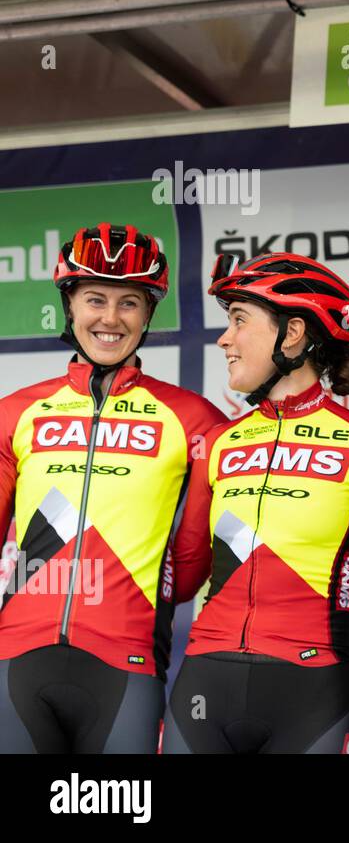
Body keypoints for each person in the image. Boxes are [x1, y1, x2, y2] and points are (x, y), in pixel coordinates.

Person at [162, 252, 349, 754]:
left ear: (293, 333)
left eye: (238, 321)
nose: (224, 339)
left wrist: (343, 556)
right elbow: (186, 575)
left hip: (312, 682)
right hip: (206, 678)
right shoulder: (217, 443)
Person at [0, 223, 224, 753]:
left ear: (148, 316)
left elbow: (194, 559)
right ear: (69, 305)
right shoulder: (17, 412)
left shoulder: (193, 418)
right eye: (95, 298)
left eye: (129, 303)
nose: (110, 318)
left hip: (127, 656)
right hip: (17, 656)